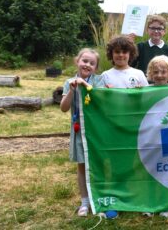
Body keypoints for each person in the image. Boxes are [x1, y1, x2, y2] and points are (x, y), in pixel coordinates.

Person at [60, 48, 105, 217]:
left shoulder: (99, 81)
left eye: (92, 63)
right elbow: (64, 108)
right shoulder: (69, 82)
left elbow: (101, 101)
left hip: (97, 130)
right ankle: (85, 201)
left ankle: (100, 196)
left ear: (96, 68)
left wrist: (86, 85)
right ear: (77, 61)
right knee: (82, 164)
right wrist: (72, 90)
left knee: (100, 164)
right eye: (85, 61)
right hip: (79, 129)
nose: (87, 65)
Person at [142, 55, 168, 219]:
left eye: (164, 71)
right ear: (150, 73)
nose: (160, 75)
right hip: (151, 135)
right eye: (156, 72)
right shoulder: (146, 90)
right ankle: (150, 202)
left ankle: (165, 204)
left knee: (167, 170)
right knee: (151, 170)